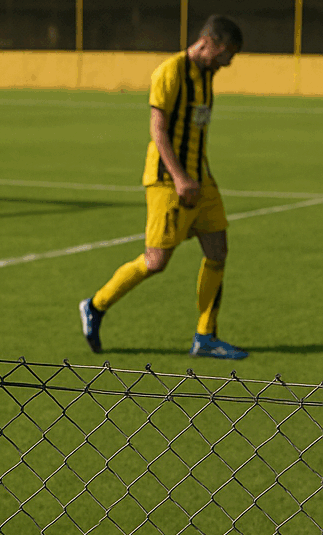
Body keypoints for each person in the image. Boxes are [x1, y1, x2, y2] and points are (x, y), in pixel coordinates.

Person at [79, 15, 247, 360]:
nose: (228, 62)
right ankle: (95, 306)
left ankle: (206, 336)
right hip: (169, 181)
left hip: (201, 179)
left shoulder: (206, 75)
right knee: (156, 261)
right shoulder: (170, 72)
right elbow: (159, 130)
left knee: (218, 251)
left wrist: (198, 177)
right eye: (227, 53)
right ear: (210, 42)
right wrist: (182, 179)